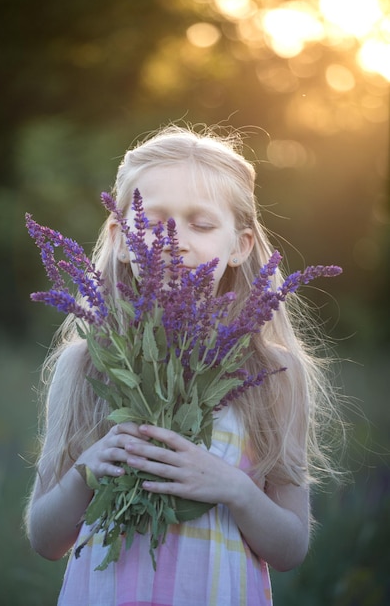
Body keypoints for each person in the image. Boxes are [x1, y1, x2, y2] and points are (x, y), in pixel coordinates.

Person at [25, 125, 341, 605]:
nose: (172, 241)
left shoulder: (271, 373)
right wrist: (86, 472)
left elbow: (290, 547)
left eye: (202, 223)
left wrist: (233, 488)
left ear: (239, 245)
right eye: (153, 219)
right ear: (121, 235)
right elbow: (45, 540)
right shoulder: (87, 364)